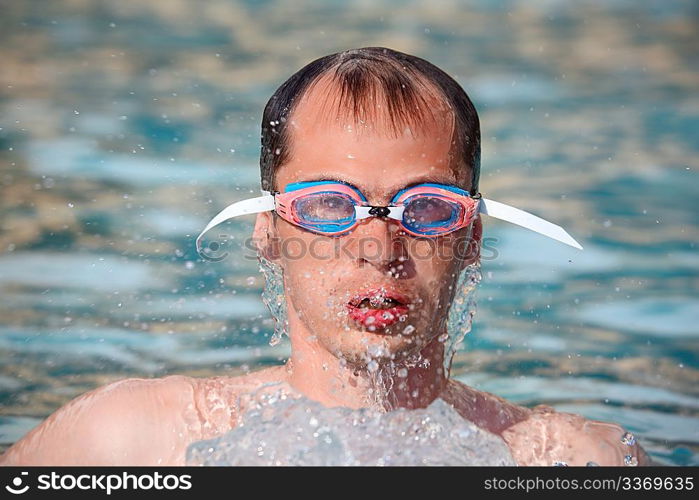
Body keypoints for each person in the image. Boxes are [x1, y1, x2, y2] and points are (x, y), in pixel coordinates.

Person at [0, 47, 651, 466]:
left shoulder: (566, 461)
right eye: (327, 208)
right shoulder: (131, 441)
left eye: (425, 208)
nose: (378, 250)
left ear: (472, 237)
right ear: (267, 231)